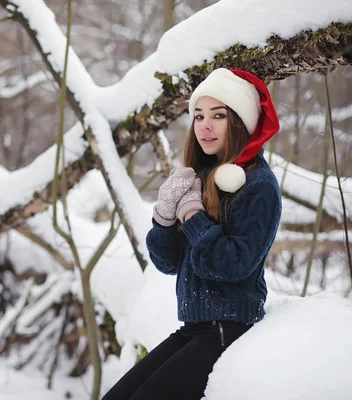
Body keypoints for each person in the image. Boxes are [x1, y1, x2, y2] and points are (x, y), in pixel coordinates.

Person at [102, 68, 282, 400]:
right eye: (199, 115)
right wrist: (164, 215)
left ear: (241, 122)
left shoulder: (259, 186)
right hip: (196, 328)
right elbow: (167, 262)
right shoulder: (201, 176)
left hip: (229, 330)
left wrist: (193, 215)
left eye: (219, 115)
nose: (205, 125)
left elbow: (232, 265)